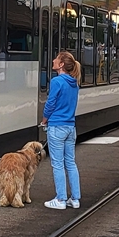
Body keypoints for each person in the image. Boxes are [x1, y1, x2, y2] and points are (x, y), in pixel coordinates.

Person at [42, 50, 81, 209]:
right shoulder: (74, 83)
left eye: (56, 59)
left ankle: (60, 199)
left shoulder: (57, 82)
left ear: (62, 64)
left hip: (57, 126)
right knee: (70, 163)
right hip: (71, 127)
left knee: (57, 164)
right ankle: (75, 199)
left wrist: (44, 120)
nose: (53, 60)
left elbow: (50, 104)